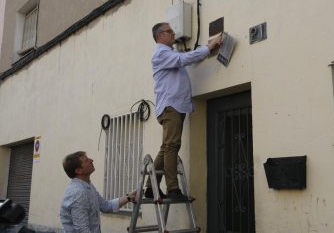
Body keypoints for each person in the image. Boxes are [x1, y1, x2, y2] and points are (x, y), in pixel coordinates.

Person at [144, 22, 223, 200]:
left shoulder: (168, 53)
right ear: (160, 36)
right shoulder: (161, 53)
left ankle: (151, 188)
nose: (174, 33)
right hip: (171, 106)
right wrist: (209, 47)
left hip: (174, 106)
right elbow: (182, 60)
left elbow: (183, 59)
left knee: (166, 148)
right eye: (170, 31)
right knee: (172, 146)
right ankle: (173, 189)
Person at [60, 151, 137, 232]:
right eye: (86, 161)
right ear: (79, 171)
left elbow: (106, 206)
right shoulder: (78, 192)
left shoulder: (87, 186)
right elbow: (81, 230)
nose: (91, 160)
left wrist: (128, 197)